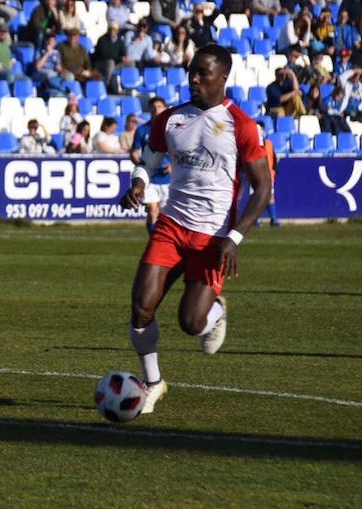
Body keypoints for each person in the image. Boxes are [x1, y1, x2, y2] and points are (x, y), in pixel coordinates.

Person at [118, 44, 271, 414]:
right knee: (141, 306)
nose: (195, 79)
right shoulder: (170, 119)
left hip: (213, 237)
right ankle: (153, 384)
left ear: (223, 78)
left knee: (190, 322)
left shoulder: (242, 126)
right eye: (192, 72)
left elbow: (263, 189)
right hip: (172, 225)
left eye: (203, 73)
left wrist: (235, 238)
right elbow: (150, 159)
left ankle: (214, 311)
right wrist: (139, 182)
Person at [132, 95, 170, 233]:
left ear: (165, 108)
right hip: (150, 179)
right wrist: (143, 166)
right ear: (149, 110)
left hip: (168, 179)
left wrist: (173, 166)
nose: (156, 110)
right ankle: (153, 241)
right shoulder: (142, 130)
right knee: (152, 210)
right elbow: (134, 152)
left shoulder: (172, 129)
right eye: (153, 108)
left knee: (166, 215)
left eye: (159, 107)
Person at [254, 119, 280, 227]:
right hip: (256, 175)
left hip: (269, 175)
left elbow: (273, 158)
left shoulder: (269, 144)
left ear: (263, 130)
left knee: (270, 196)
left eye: (260, 129)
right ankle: (255, 220)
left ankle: (273, 219)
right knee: (257, 197)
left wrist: (274, 170)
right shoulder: (254, 144)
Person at [93, 21, 127, 91]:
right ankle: (106, 85)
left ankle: (127, 87)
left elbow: (123, 51)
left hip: (115, 63)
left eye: (114, 30)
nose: (112, 32)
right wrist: (120, 58)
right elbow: (105, 54)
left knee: (131, 63)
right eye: (110, 29)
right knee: (110, 62)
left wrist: (125, 57)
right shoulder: (102, 40)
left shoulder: (119, 40)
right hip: (102, 63)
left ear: (117, 31)